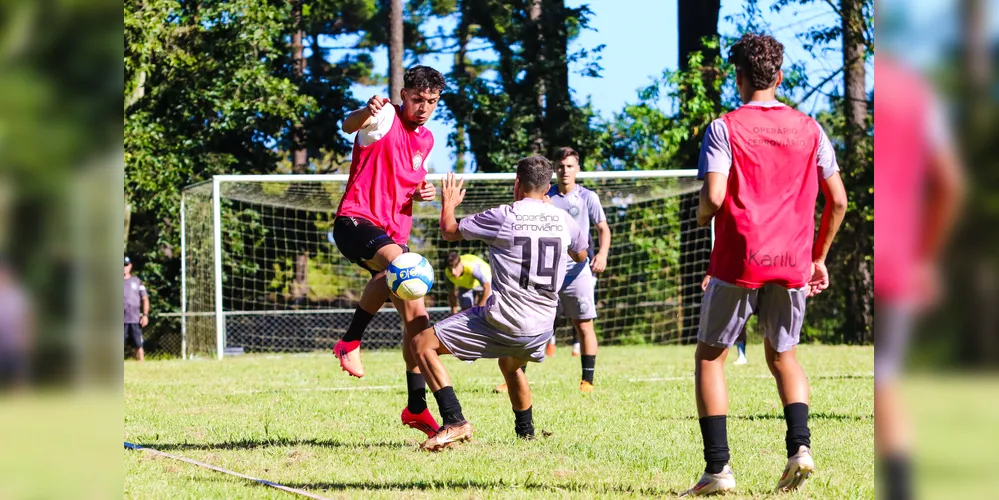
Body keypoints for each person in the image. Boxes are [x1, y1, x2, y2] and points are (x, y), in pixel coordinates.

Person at [682, 33, 848, 496]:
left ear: (738, 79)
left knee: (710, 358)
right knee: (784, 357)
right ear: (778, 77)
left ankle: (718, 471)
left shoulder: (724, 127)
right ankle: (800, 449)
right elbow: (838, 200)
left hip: (738, 262)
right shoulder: (811, 129)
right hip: (792, 261)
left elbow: (714, 197)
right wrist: (818, 257)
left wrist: (700, 213)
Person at [411, 159, 588, 451]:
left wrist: (449, 203)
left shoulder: (505, 215)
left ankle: (454, 420)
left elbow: (449, 231)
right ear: (547, 187)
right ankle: (526, 434)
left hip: (506, 321)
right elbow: (581, 254)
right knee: (510, 363)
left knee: (421, 344)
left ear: (517, 183)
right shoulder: (563, 219)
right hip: (543, 327)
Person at [330, 65, 445, 438]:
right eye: (417, 99)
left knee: (418, 324)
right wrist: (367, 110)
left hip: (393, 235)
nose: (423, 107)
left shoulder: (425, 140)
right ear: (403, 94)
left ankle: (416, 409)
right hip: (356, 222)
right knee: (399, 266)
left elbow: (410, 179)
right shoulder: (384, 117)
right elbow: (348, 125)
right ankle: (350, 341)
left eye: (431, 101)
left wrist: (423, 191)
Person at [874, 52, 964, 500]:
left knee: (884, 379)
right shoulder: (916, 92)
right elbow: (950, 182)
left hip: (882, 257)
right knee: (886, 378)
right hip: (899, 259)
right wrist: (924, 258)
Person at [495, 146, 610, 394]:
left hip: (578, 272)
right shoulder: (545, 196)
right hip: (547, 273)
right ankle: (514, 378)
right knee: (533, 325)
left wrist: (602, 254)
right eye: (560, 166)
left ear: (577, 168)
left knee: (584, 325)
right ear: (554, 170)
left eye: (569, 166)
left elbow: (603, 227)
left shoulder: (588, 197)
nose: (565, 170)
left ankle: (587, 381)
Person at [702, 275, 748, 365]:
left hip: (763, 278)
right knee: (738, 317)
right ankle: (741, 354)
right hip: (737, 279)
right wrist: (709, 274)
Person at [124, 256, 149, 362]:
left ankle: (141, 365)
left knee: (138, 344)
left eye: (125, 265)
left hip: (134, 319)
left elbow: (145, 298)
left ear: (130, 266)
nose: (123, 268)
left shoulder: (137, 281)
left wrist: (145, 315)